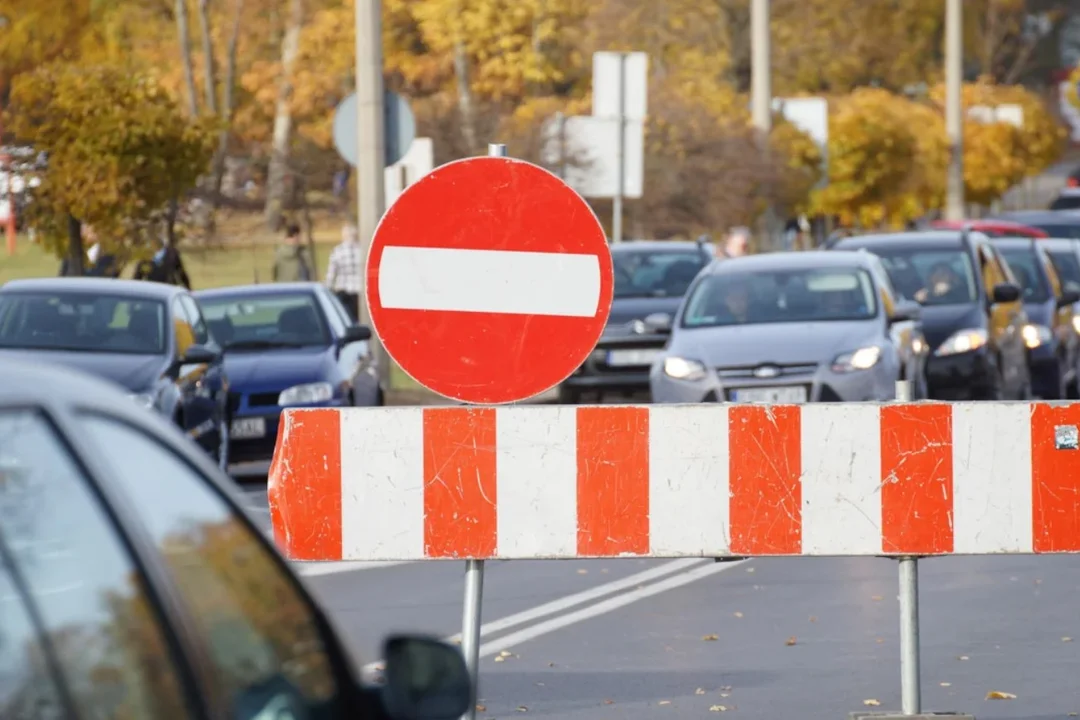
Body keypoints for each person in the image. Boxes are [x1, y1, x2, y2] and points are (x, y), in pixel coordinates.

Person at [324, 223, 363, 321]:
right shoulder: (363, 250)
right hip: (360, 291)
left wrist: (327, 289)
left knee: (346, 319)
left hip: (343, 291)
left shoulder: (338, 251)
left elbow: (331, 274)